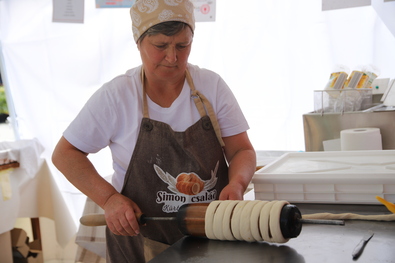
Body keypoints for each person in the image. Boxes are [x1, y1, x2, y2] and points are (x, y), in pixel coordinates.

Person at [52, 0, 256, 262]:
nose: (173, 57)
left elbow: (241, 149)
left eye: (183, 45)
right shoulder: (118, 96)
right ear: (139, 42)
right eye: (161, 46)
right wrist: (110, 199)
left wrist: (237, 184)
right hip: (141, 244)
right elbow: (65, 154)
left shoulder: (211, 86)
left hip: (213, 236)